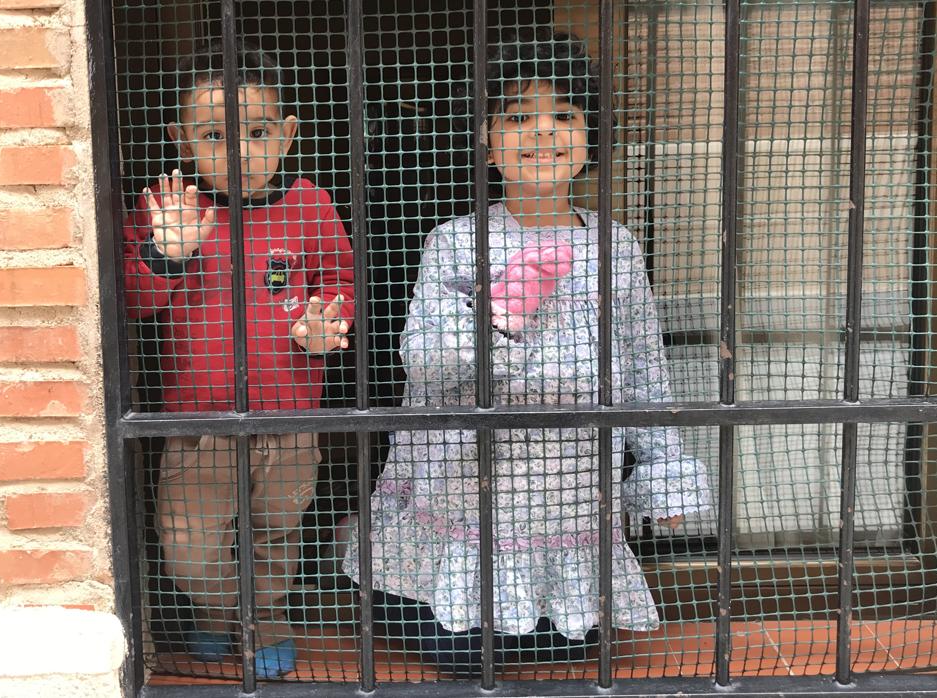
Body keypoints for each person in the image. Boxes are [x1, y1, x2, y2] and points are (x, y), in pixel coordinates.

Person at [337, 26, 712, 676]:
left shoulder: (613, 246)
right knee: (459, 654)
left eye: (562, 115)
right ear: (486, 137)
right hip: (469, 477)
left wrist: (663, 465)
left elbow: (643, 367)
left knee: (570, 646)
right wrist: (499, 321)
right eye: (517, 116)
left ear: (590, 133)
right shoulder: (455, 243)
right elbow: (420, 359)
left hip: (570, 480)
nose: (542, 132)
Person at [123, 40, 355, 678]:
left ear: (287, 135)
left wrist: (324, 321)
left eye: (256, 132)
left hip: (289, 416)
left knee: (275, 532)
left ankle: (260, 614)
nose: (238, 150)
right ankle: (231, 614)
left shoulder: (308, 204)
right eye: (213, 135)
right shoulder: (167, 209)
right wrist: (167, 252)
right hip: (199, 422)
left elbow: (342, 278)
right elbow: (132, 303)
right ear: (181, 138)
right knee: (189, 545)